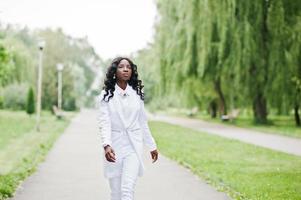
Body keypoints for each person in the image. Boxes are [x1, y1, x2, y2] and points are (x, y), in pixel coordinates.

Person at [96, 57, 159, 200]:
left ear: (132, 72)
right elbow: (104, 122)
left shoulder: (137, 95)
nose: (125, 69)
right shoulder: (105, 96)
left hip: (133, 146)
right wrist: (107, 145)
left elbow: (143, 122)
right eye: (121, 67)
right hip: (114, 147)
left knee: (127, 189)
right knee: (116, 192)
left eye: (128, 67)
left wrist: (151, 145)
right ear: (114, 71)